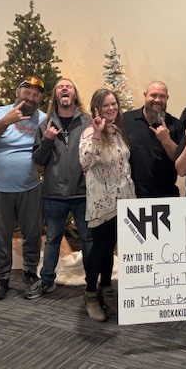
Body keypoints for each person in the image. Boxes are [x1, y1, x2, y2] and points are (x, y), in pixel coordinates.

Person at [0, 76, 47, 300]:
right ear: (18, 93)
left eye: (35, 94)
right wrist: (6, 121)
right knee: (1, 235)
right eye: (27, 92)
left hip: (30, 187)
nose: (31, 97)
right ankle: (2, 278)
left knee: (33, 234)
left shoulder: (43, 119)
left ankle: (30, 273)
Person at [27, 78, 92, 299]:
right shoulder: (45, 125)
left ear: (74, 94)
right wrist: (47, 140)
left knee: (88, 239)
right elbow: (38, 160)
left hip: (83, 192)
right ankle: (47, 281)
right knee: (53, 239)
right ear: (56, 95)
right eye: (60, 87)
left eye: (69, 86)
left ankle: (92, 284)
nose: (65, 88)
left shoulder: (87, 122)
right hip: (54, 194)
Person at [79, 88, 136, 322]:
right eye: (106, 105)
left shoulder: (117, 131)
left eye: (114, 104)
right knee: (99, 249)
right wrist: (96, 133)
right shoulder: (90, 133)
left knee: (110, 247)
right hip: (103, 203)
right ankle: (90, 294)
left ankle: (106, 288)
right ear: (97, 109)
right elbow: (84, 161)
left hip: (124, 201)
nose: (111, 108)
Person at [124, 81, 184, 197]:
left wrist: (166, 140)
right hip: (132, 195)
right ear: (145, 95)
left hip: (166, 194)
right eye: (153, 95)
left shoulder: (175, 124)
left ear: (167, 98)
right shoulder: (126, 119)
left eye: (162, 96)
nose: (157, 100)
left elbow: (180, 163)